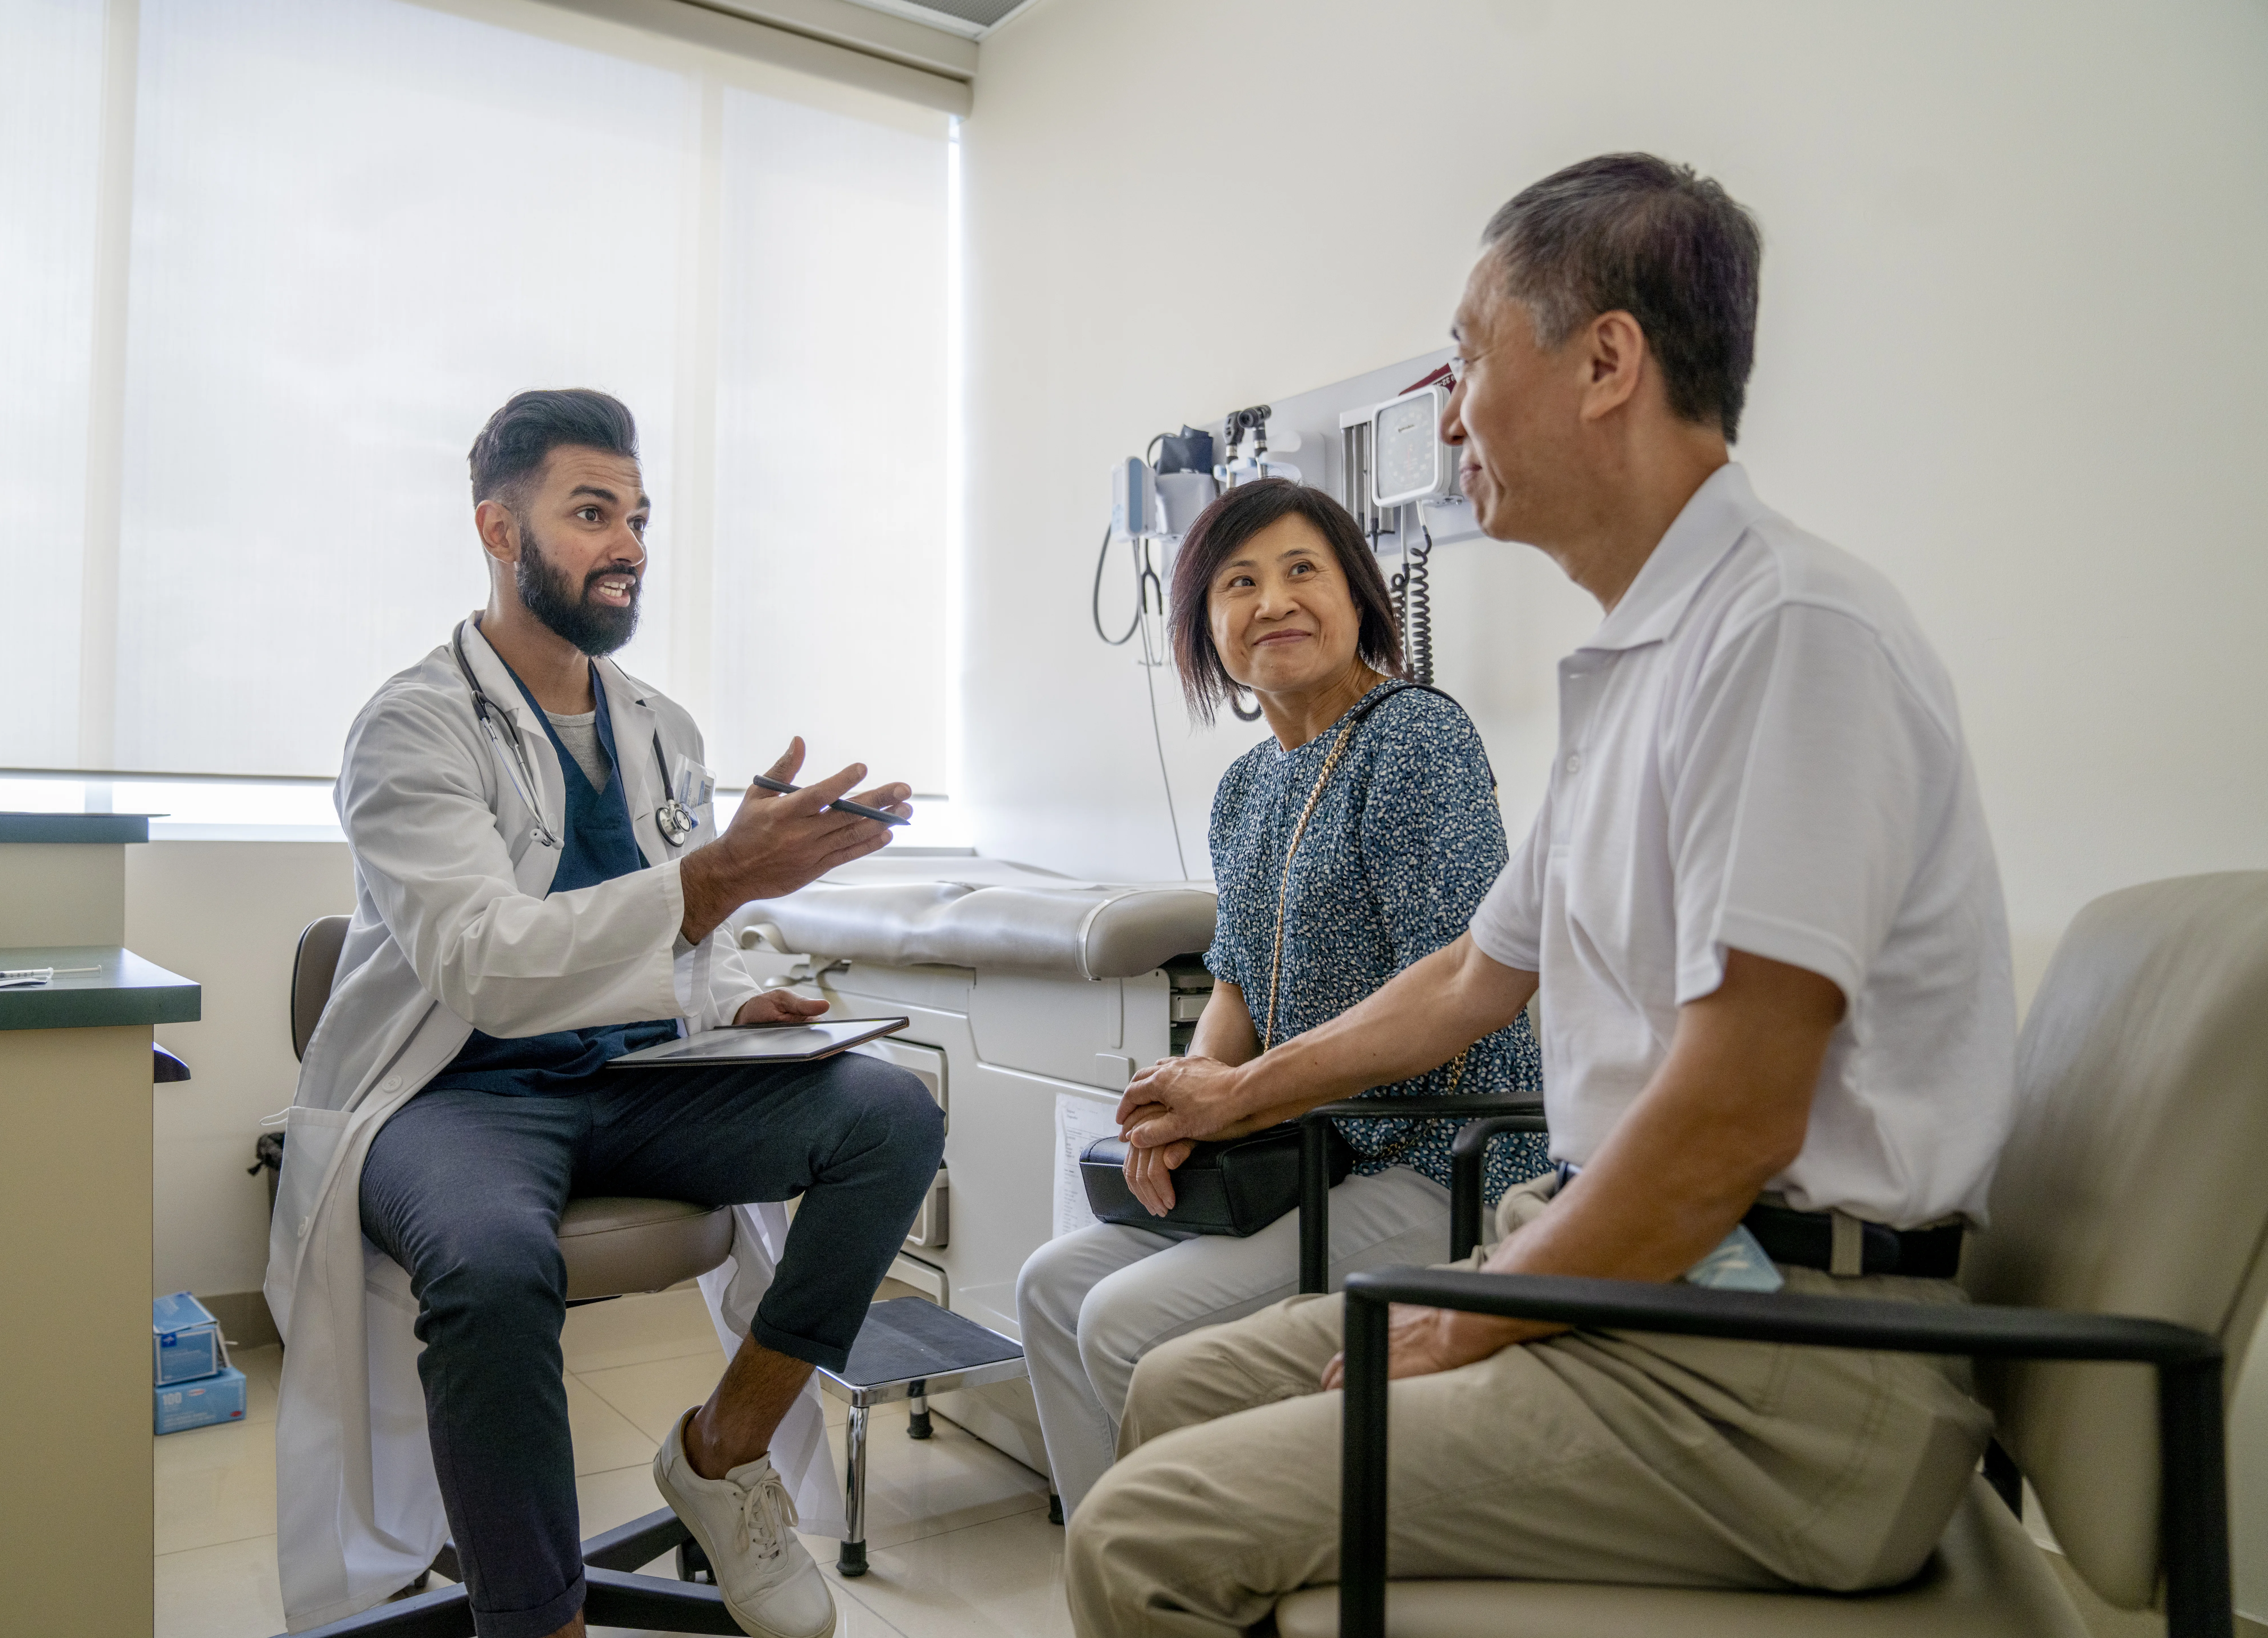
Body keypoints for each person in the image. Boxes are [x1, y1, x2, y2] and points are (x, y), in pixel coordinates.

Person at [1064, 153, 2019, 1637]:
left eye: (1463, 356)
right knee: (1177, 1379)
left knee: (1144, 1533)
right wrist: (1226, 1097)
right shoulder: (1640, 664)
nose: (1443, 411)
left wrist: (1481, 1306)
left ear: (1604, 362)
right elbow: (1468, 975)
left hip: (1775, 1361)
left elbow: (1731, 1116)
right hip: (1652, 1280)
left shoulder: (1787, 636)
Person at [265, 388, 945, 1638]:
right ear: (496, 527)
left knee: (890, 1116)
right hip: (452, 1094)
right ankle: (538, 1619)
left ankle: (722, 1455)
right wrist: (719, 877)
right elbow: (485, 964)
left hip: (635, 1086)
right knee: (487, 1265)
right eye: (590, 513)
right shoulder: (411, 728)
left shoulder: (656, 727)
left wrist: (747, 992)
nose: (627, 542)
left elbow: (684, 933)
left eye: (636, 514)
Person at [1015, 477, 1544, 1515]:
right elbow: (1239, 982)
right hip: (1305, 1158)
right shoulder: (1247, 787)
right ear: (1203, 627)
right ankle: (1119, 1580)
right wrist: (1191, 1090)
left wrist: (1244, 1094)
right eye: (1238, 582)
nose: (1273, 601)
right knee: (1050, 1288)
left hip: (1437, 1161)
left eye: (1302, 569)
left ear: (1357, 592)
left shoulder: (1415, 741)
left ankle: (1207, 1576)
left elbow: (1456, 993)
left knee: (1124, 1322)